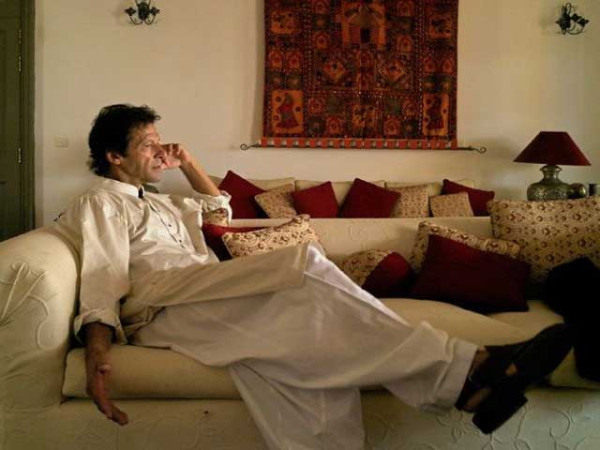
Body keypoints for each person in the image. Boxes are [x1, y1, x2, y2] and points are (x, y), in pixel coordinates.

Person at [54, 104, 572, 449]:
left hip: (204, 293)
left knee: (309, 353)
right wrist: (98, 353)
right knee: (304, 263)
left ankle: (472, 389)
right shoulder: (100, 202)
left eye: (162, 141)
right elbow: (102, 275)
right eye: (148, 144)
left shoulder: (163, 202)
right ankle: (467, 369)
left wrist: (188, 163)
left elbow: (217, 209)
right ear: (114, 157)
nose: (161, 150)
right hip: (164, 306)